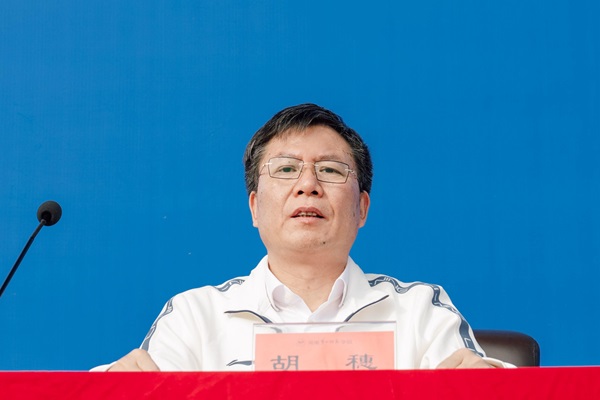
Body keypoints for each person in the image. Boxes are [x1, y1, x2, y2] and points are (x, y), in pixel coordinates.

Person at [95, 103, 509, 371]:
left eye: (330, 170)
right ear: (255, 207)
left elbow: (492, 386)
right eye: (286, 169)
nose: (307, 185)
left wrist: (492, 383)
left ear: (362, 208)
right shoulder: (194, 316)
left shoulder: (420, 310)